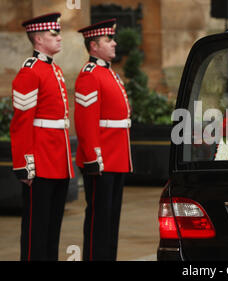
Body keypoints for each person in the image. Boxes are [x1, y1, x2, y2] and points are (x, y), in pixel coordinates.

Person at [10, 12, 74, 261]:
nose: (59, 38)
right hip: (41, 160)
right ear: (38, 39)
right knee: (36, 230)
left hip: (58, 159)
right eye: (53, 34)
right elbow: (21, 124)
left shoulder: (53, 69)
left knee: (52, 229)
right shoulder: (30, 71)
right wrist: (25, 165)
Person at [75, 19, 133, 261]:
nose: (114, 43)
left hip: (117, 156)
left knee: (111, 219)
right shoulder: (90, 75)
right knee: (99, 219)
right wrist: (92, 157)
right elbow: (86, 121)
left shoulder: (110, 73)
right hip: (102, 158)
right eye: (108, 40)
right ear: (94, 46)